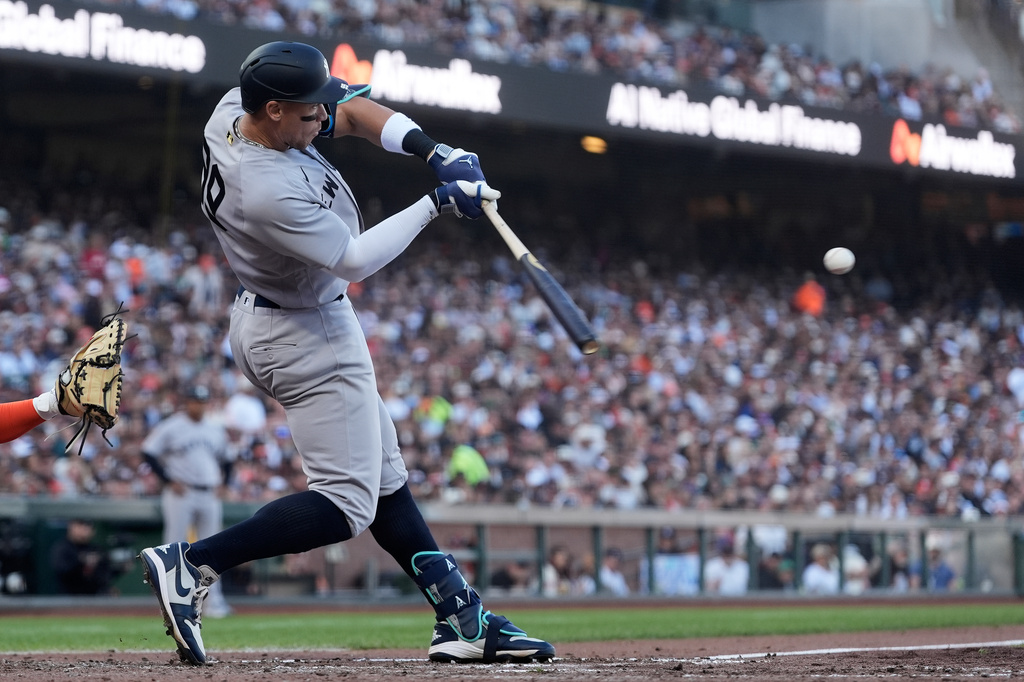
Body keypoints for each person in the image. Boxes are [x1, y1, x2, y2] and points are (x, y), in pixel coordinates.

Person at [138, 40, 553, 666]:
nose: (322, 121)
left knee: (386, 480)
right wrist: (437, 200)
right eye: (308, 114)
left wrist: (432, 149)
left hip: (284, 316)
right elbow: (354, 260)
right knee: (345, 505)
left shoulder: (238, 109)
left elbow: (355, 112)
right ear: (275, 110)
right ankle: (194, 564)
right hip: (305, 331)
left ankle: (461, 617)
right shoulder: (264, 186)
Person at [141, 385, 233, 618]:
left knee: (215, 546)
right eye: (195, 401)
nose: (199, 405)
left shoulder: (214, 428)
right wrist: (168, 480)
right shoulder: (172, 426)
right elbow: (148, 452)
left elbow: (229, 457)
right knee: (172, 547)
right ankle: (169, 602)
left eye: (202, 401)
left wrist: (226, 483)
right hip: (181, 493)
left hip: (209, 492)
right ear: (187, 402)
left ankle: (214, 603)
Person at [51, 518, 127, 595]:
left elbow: (104, 576)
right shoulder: (62, 548)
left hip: (94, 599)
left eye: (88, 525)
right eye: (80, 524)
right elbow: (64, 571)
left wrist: (119, 570)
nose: (85, 528)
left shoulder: (96, 549)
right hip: (69, 598)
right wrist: (82, 561)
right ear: (71, 526)